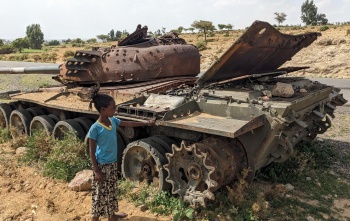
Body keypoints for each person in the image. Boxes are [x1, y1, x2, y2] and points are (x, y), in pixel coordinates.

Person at [87, 87, 128, 221]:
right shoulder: (95, 128)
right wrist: (97, 170)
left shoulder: (113, 121)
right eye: (113, 108)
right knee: (99, 193)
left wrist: (146, 123)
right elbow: (91, 151)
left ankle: (112, 215)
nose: (115, 110)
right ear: (103, 110)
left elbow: (127, 123)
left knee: (111, 190)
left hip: (112, 163)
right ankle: (95, 217)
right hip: (102, 166)